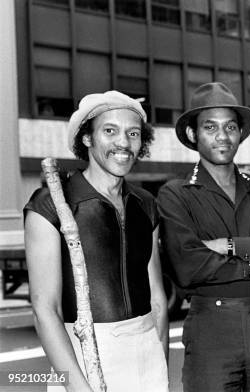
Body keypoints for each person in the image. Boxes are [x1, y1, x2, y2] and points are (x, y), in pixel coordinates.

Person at [157, 82, 250, 392]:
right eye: (210, 127)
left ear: (240, 133)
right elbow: (189, 265)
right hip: (210, 331)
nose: (222, 136)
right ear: (192, 134)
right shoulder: (175, 195)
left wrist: (230, 246)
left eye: (229, 127)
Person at [24, 91, 169, 392]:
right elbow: (45, 309)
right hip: (80, 353)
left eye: (133, 133)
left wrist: (160, 362)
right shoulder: (52, 203)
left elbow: (157, 298)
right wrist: (78, 388)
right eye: (109, 131)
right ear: (87, 138)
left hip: (147, 353)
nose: (123, 143)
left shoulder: (146, 204)